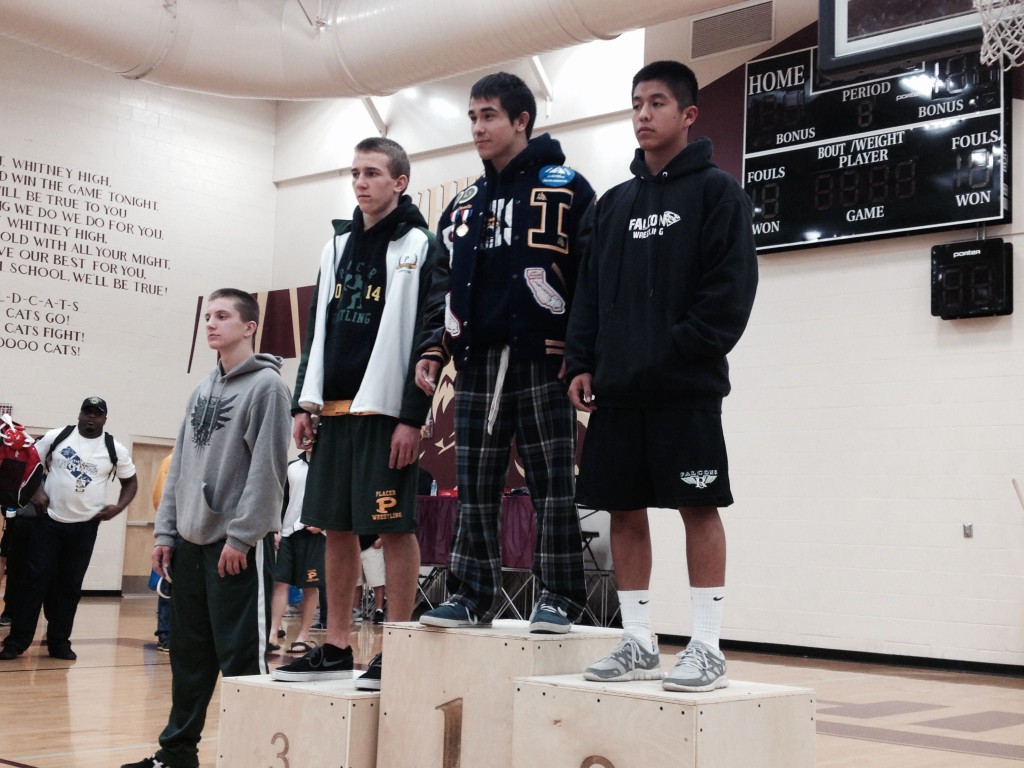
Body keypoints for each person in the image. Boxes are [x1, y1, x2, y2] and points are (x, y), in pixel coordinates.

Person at [565, 60, 758, 692]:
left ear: (688, 115)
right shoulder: (614, 205)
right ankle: (638, 641)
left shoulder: (717, 192)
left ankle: (706, 645)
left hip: (685, 388)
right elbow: (588, 294)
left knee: (698, 506)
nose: (644, 115)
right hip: (618, 391)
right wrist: (583, 360)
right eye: (636, 104)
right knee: (623, 510)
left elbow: (730, 290)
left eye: (657, 103)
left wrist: (679, 349)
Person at [415, 72, 593, 634]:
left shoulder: (568, 189)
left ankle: (561, 595)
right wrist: (435, 347)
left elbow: (590, 278)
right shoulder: (463, 204)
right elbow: (443, 284)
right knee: (476, 482)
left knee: (552, 483)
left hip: (545, 356)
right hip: (478, 358)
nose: (477, 127)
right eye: (471, 117)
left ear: (522, 120)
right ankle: (470, 594)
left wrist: (584, 353)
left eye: (489, 115)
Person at [273, 137, 435, 691]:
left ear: (400, 182)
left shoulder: (421, 244)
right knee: (334, 527)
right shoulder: (335, 246)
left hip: (386, 411)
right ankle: (336, 645)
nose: (361, 182)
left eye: (372, 173)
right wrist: (303, 402)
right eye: (355, 172)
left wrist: (412, 416)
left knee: (393, 529)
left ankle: (399, 647)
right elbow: (318, 326)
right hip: (335, 410)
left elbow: (429, 334)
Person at [124, 288, 291, 768]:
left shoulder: (267, 388)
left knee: (242, 660)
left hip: (235, 547)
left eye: (223, 316)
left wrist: (241, 535)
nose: (211, 324)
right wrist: (165, 534)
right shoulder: (201, 389)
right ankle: (176, 753)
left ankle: (249, 754)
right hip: (191, 548)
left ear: (249, 327)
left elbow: (268, 470)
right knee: (189, 658)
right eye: (208, 316)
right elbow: (178, 469)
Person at [0, 397, 138, 661]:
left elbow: (130, 482)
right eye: (87, 412)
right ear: (79, 414)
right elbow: (29, 464)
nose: (91, 418)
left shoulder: (114, 448)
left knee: (69, 586)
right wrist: (36, 491)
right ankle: (17, 642)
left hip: (85, 529)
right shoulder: (58, 436)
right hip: (48, 522)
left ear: (104, 419)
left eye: (97, 414)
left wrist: (118, 507)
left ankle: (59, 642)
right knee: (33, 583)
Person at [269, 449, 324, 655]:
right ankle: (273, 632)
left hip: (315, 536)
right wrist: (276, 528)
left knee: (310, 586)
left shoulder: (331, 466)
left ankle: (303, 636)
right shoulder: (292, 467)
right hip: (288, 533)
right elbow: (281, 500)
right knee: (280, 582)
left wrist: (323, 524)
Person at [151, 451, 173, 652]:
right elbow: (160, 499)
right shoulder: (170, 461)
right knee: (167, 585)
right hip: (175, 532)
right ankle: (165, 634)